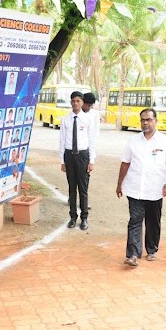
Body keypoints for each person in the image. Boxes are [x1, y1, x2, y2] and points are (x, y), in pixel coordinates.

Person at [116, 108, 166, 266]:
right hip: (135, 188)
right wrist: (119, 184)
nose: (146, 123)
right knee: (135, 220)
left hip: (155, 190)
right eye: (143, 120)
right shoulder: (133, 141)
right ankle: (133, 254)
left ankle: (151, 249)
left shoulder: (165, 141)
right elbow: (125, 163)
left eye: (149, 119)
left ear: (156, 121)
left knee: (153, 221)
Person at [58, 91, 97, 231]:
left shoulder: (87, 119)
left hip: (83, 156)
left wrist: (91, 160)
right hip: (69, 156)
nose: (75, 103)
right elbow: (62, 141)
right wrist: (62, 160)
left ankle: (84, 218)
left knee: (83, 188)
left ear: (82, 102)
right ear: (71, 103)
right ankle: (73, 217)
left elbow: (92, 140)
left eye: (78, 101)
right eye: (73, 101)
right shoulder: (65, 119)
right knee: (72, 188)